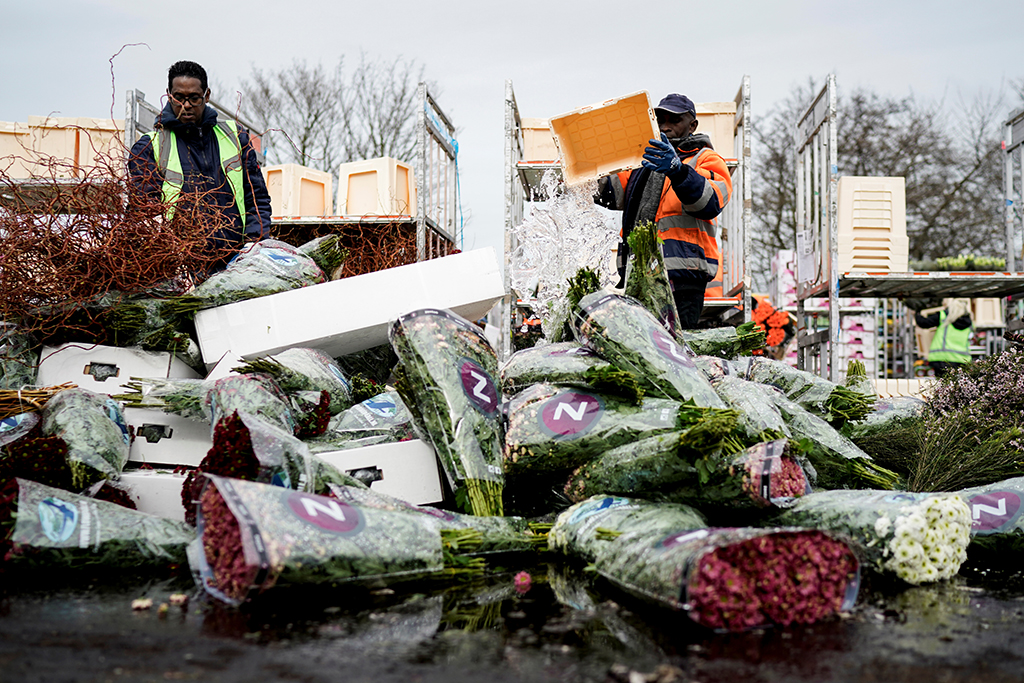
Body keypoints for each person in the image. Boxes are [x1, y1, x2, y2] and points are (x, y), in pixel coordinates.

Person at [598, 93, 732, 329]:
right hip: (639, 274)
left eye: (674, 120)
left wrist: (678, 171)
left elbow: (711, 202)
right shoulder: (644, 163)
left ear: (692, 126)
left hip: (683, 276)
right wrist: (582, 174)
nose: (665, 126)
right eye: (661, 120)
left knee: (677, 348)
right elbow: (611, 192)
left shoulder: (706, 158)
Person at [128, 60, 272, 271]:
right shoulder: (150, 147)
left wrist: (254, 244)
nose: (186, 105)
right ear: (169, 95)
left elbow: (256, 198)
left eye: (194, 98)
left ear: (207, 95)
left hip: (236, 262)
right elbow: (143, 213)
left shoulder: (235, 136)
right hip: (182, 267)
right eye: (179, 98)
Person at [915, 298, 973, 377]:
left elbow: (923, 322)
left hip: (941, 359)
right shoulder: (970, 322)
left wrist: (917, 313)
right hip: (962, 361)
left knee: (942, 386)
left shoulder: (943, 316)